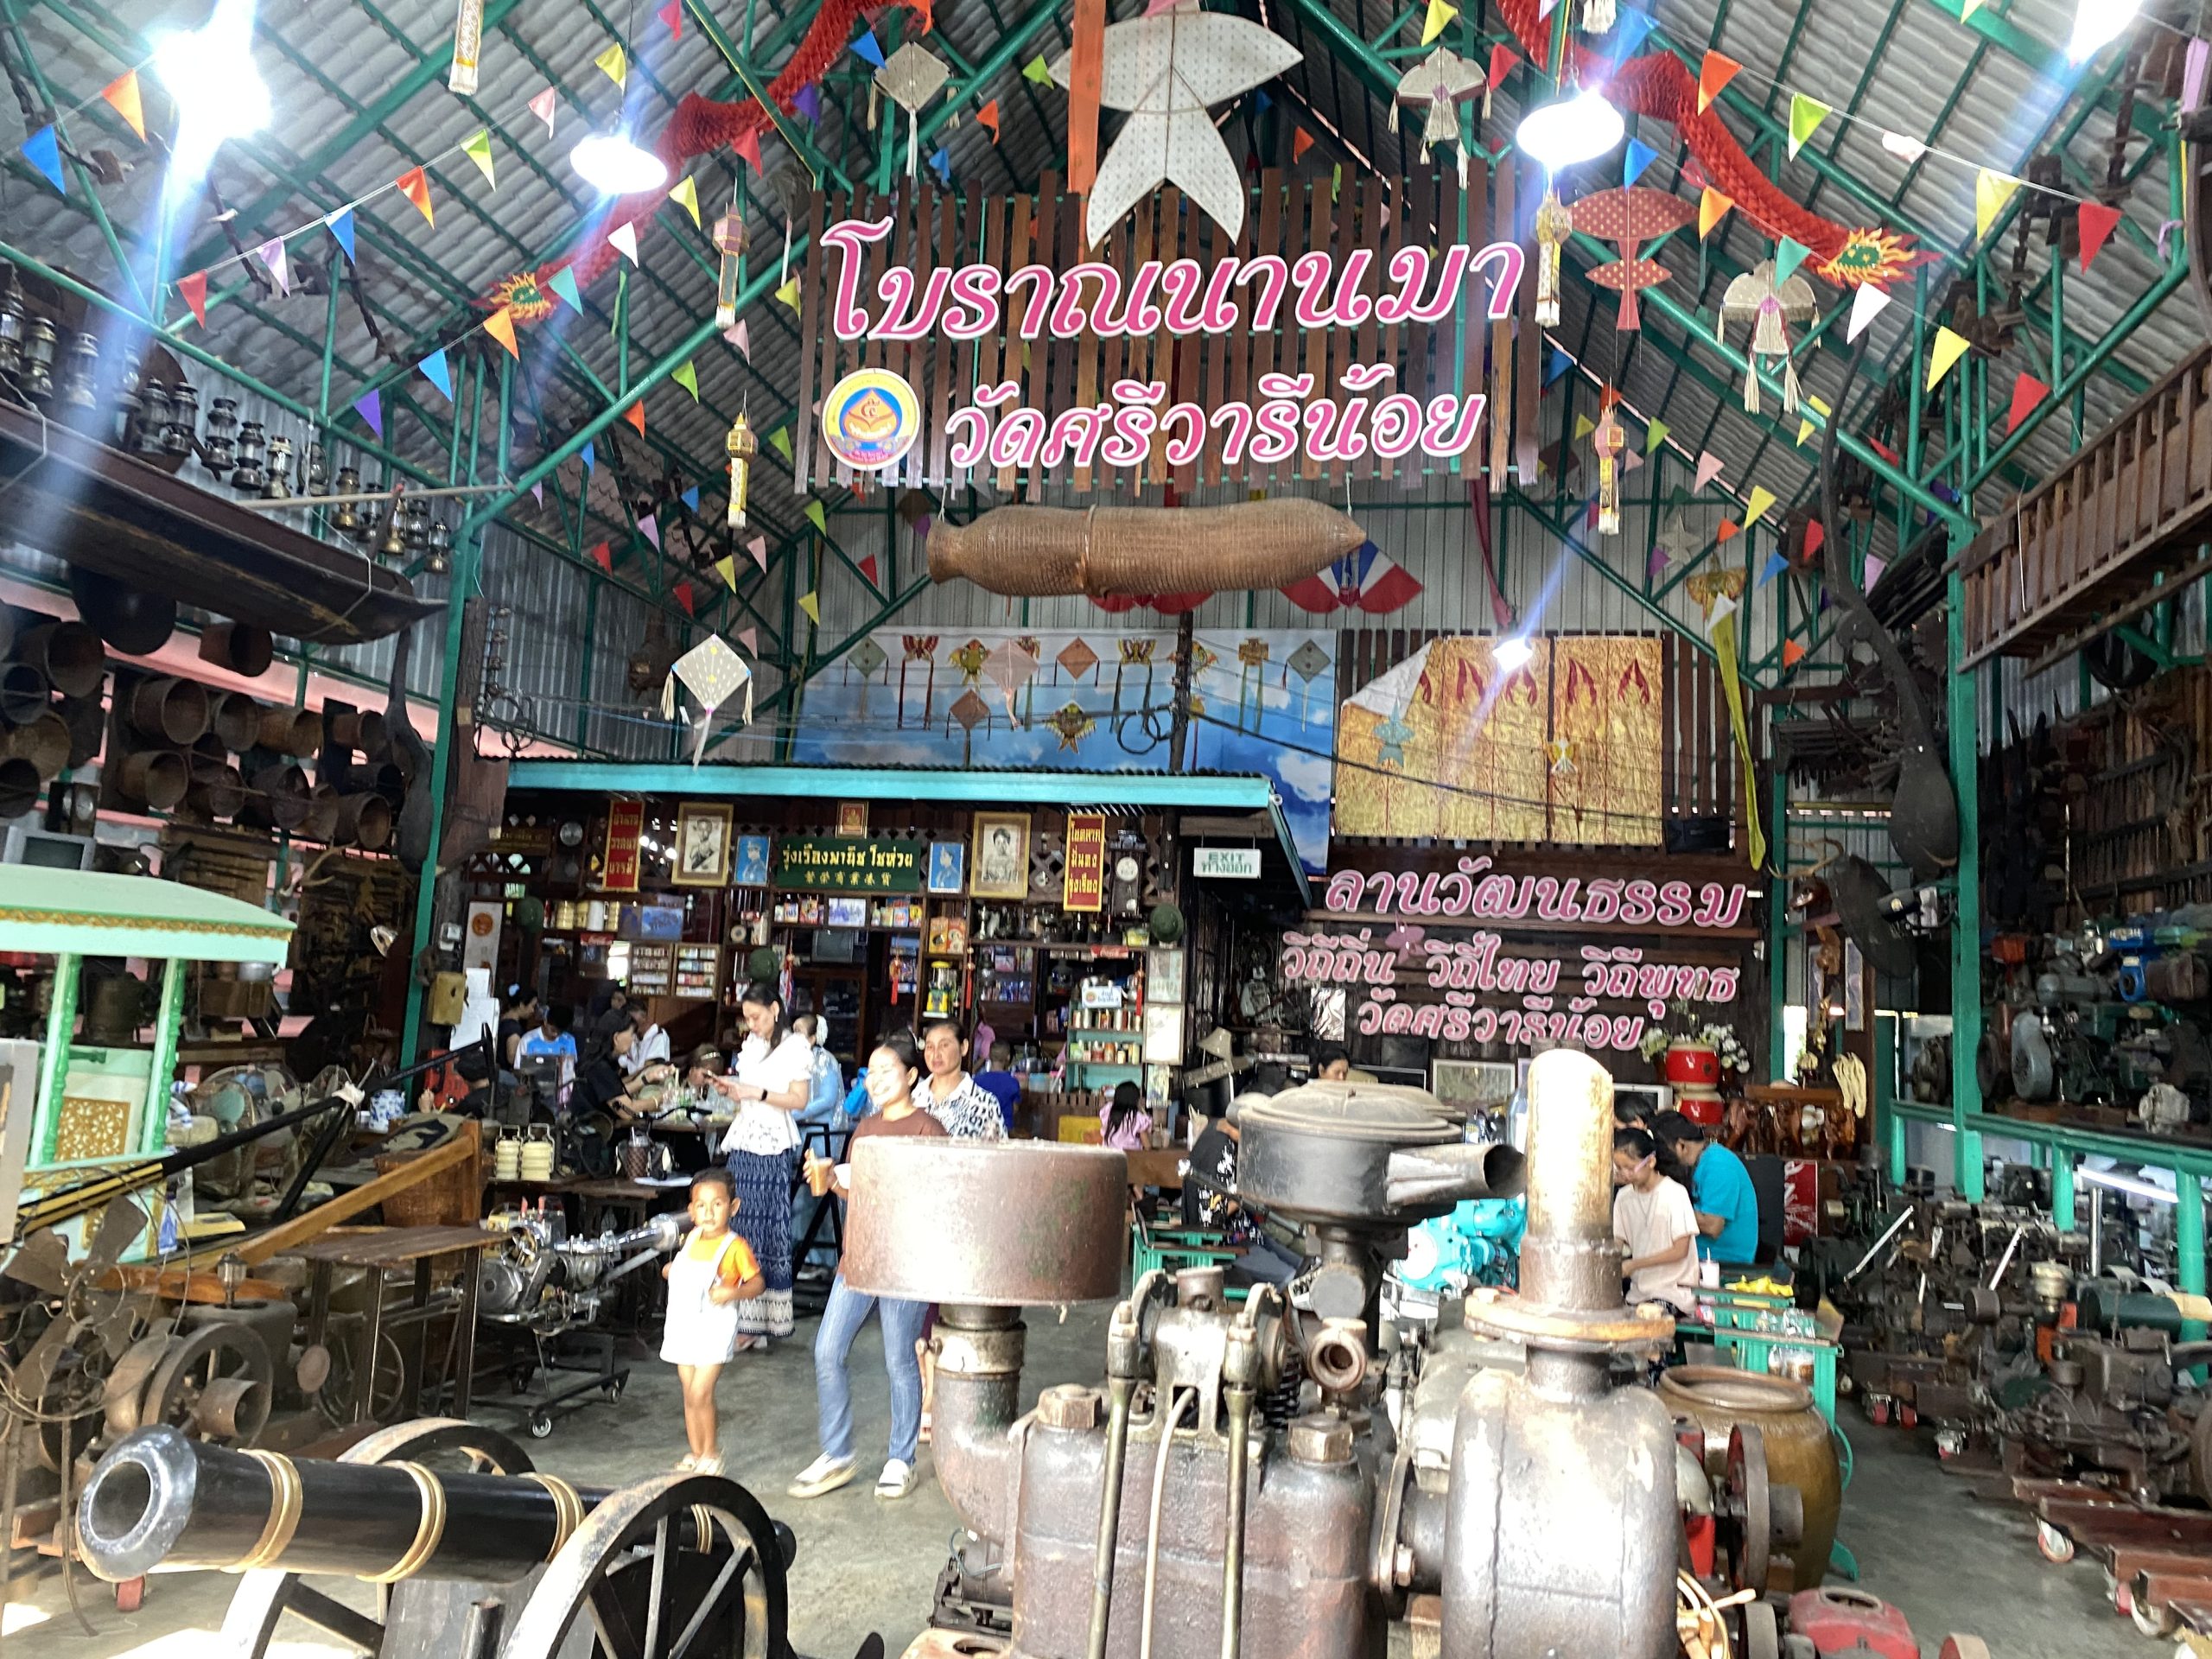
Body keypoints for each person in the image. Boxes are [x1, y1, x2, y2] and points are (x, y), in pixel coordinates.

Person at [788, 1032, 945, 1502]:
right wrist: (827, 1178)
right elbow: (855, 1189)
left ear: (911, 1076)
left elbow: (937, 1195)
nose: (875, 1080)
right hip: (858, 1256)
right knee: (826, 1350)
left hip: (903, 1262)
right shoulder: (866, 1128)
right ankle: (837, 1453)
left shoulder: (928, 1129)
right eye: (870, 1072)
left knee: (899, 1360)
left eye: (886, 1071)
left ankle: (901, 1459)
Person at [705, 982, 815, 1347]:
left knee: (764, 1226)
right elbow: (748, 1091)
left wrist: (756, 1092)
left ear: (774, 1009)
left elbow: (799, 1099)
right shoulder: (753, 1044)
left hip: (772, 1143)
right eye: (747, 1018)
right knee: (736, 1220)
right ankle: (736, 1314)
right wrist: (733, 1088)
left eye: (756, 1017)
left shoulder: (795, 1046)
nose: (751, 1024)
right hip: (745, 1139)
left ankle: (756, 1323)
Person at [660, 1167, 766, 1474]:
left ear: (733, 1207)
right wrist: (670, 1271)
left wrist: (732, 1292)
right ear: (691, 1211)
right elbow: (680, 1271)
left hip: (714, 1329)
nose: (708, 1212)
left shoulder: (735, 1247)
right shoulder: (691, 1238)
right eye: (701, 1205)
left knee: (700, 1393)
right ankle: (696, 1453)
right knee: (688, 1394)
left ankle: (712, 1454)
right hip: (683, 1325)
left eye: (717, 1204)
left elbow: (757, 1283)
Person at [1179, 1096, 1299, 1286]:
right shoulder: (1221, 1152)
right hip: (1227, 1243)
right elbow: (1210, 1217)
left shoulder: (1215, 1128)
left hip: (1244, 1233)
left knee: (1303, 1268)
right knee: (1290, 1278)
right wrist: (1247, 1193)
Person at [1611, 1127, 1701, 1314]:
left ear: (1651, 1161)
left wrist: (1634, 1264)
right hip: (1638, 1293)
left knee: (1646, 1319)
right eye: (1619, 1168)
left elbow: (1680, 1250)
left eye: (1630, 1168)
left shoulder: (1674, 1193)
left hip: (1674, 1293)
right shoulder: (1623, 1197)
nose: (1625, 1174)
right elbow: (1617, 1243)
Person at [1652, 1111, 1760, 1268]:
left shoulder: (1719, 1165)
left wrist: (1662, 1207)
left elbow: (1712, 1226)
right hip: (1694, 1258)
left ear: (1682, 1146)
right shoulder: (1702, 1163)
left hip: (1723, 1263)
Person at [919, 1017, 1007, 1141]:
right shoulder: (914, 1097)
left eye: (944, 1045)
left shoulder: (984, 1104)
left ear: (964, 1047)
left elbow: (997, 1151)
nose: (936, 1053)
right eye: (929, 1047)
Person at [971, 1040, 1024, 1135]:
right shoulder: (1012, 1082)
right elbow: (1015, 1109)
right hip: (1004, 1130)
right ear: (1008, 1057)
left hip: (980, 1129)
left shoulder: (977, 1081)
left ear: (989, 1056)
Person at [518, 1007, 577, 1087]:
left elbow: (570, 1070)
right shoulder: (528, 1040)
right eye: (553, 1030)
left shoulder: (569, 1041)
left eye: (560, 1032)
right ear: (545, 1021)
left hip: (561, 1089)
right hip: (533, 1089)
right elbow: (518, 1069)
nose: (556, 1034)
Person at [1099, 1080, 1152, 1150]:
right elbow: (1147, 1144)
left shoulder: (1108, 1110)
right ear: (1135, 1099)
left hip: (1109, 1152)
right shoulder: (1138, 1117)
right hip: (1131, 1154)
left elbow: (1104, 1127)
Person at [623, 1001, 671, 1077]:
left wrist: (624, 1082)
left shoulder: (657, 1035)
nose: (629, 1022)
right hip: (630, 1081)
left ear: (644, 1017)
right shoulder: (633, 1036)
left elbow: (649, 1070)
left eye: (632, 1019)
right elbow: (623, 1063)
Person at [497, 989, 540, 1071]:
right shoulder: (513, 1028)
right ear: (522, 1005)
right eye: (532, 1006)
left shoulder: (502, 1019)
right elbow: (512, 1058)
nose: (533, 1011)